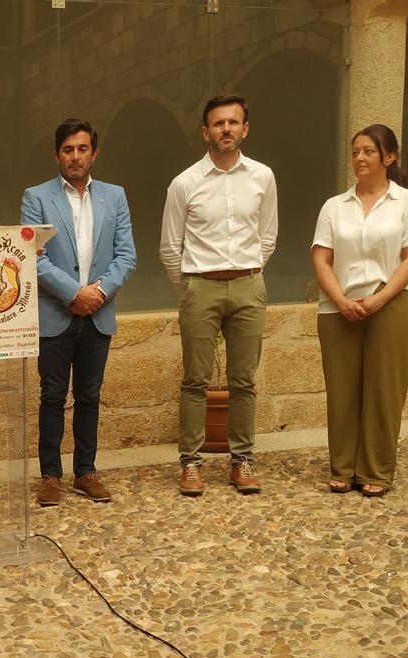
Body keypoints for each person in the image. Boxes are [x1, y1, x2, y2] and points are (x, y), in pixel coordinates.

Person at [159, 94, 278, 496]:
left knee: (243, 380)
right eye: (218, 123)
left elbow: (268, 236)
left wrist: (249, 271)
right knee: (195, 380)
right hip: (200, 285)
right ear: (205, 131)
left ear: (245, 128)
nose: (225, 129)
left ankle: (241, 460)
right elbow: (170, 247)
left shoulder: (263, 177)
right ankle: (190, 464)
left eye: (233, 122)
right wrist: (190, 287)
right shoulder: (185, 183)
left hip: (247, 284)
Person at [20, 118, 136, 507]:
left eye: (82, 149)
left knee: (89, 396)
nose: (75, 156)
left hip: (98, 313)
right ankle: (50, 476)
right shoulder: (36, 197)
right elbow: (31, 258)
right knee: (52, 396)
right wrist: (74, 293)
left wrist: (98, 293)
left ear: (94, 153)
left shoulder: (114, 197)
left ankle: (86, 472)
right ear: (57, 155)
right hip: (56, 313)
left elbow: (126, 255)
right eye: (68, 150)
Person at [312, 124, 408, 497]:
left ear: (389, 157)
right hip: (338, 306)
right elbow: (321, 259)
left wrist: (379, 298)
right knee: (342, 391)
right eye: (356, 151)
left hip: (392, 303)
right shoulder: (334, 206)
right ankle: (343, 467)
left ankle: (377, 469)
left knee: (384, 390)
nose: (359, 158)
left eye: (368, 152)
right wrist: (341, 300)